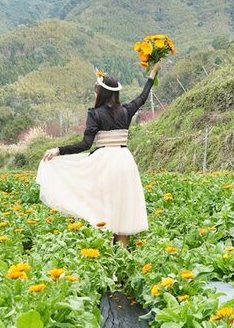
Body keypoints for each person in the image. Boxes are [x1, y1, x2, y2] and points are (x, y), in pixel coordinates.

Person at [37, 61, 161, 246]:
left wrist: (59, 150)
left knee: (104, 206)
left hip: (105, 163)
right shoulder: (126, 111)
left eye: (96, 90)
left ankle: (107, 254)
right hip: (125, 161)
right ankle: (123, 257)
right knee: (123, 207)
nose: (94, 93)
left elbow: (85, 144)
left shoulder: (95, 114)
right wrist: (152, 74)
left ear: (101, 92)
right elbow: (142, 97)